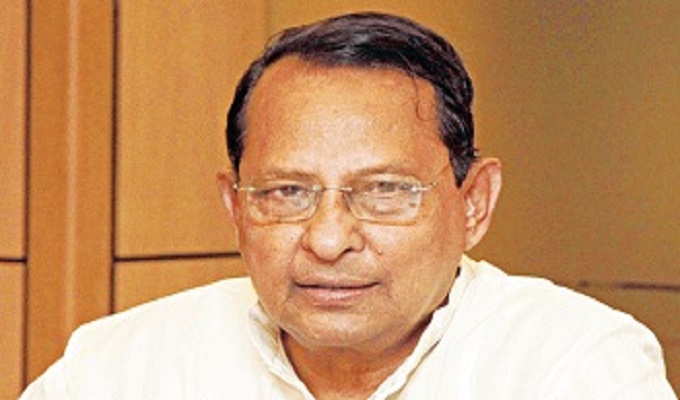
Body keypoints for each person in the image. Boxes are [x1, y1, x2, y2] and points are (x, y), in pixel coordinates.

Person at [21, 12, 676, 400]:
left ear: (474, 204)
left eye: (385, 191)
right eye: (287, 192)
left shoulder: (571, 365)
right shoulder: (120, 368)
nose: (328, 240)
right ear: (236, 208)